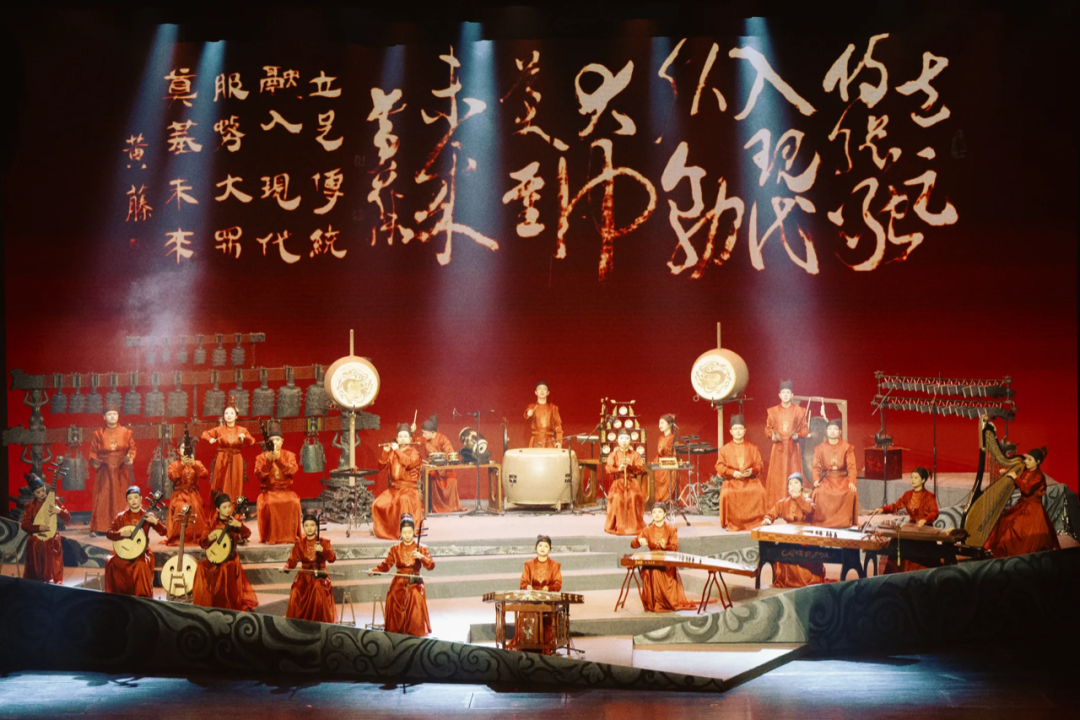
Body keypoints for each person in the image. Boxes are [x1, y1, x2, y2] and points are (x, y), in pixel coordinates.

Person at [985, 447, 1060, 557]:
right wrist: (1006, 474)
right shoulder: (1028, 473)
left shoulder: (1039, 476)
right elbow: (1019, 485)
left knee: (1018, 530)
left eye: (1030, 459)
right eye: (1026, 459)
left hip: (1033, 510)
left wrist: (1015, 477)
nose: (1026, 461)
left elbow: (1027, 489)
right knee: (1004, 520)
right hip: (1023, 505)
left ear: (1037, 462)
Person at [367, 514, 435, 636]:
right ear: (400, 533)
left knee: (414, 597)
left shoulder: (421, 548)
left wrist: (421, 557)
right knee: (393, 596)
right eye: (404, 532)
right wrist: (374, 571)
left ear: (414, 532)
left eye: (410, 532)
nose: (407, 535)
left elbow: (431, 566)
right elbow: (385, 565)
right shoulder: (395, 549)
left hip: (414, 582)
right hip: (398, 581)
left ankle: (414, 632)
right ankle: (396, 633)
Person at [193, 493, 258, 611]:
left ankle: (225, 604)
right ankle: (206, 603)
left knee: (223, 569)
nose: (228, 510)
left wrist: (240, 525)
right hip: (215, 556)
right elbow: (202, 543)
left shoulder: (234, 521)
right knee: (201, 567)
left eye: (229, 506)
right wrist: (209, 538)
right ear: (218, 509)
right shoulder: (212, 523)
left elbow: (247, 534)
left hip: (229, 559)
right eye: (224, 507)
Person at [630, 504, 698, 612]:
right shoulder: (647, 530)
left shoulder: (671, 530)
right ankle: (654, 602)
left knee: (657, 571)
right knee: (650, 570)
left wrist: (665, 546)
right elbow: (633, 544)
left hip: (667, 562)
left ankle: (660, 602)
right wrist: (639, 541)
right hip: (651, 561)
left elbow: (675, 548)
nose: (657, 514)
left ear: (664, 514)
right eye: (654, 512)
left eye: (659, 512)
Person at [761, 474, 826, 588]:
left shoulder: (808, 501)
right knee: (782, 548)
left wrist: (798, 497)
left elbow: (809, 510)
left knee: (800, 552)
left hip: (805, 536)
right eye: (790, 484)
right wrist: (768, 519)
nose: (793, 486)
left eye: (796, 483)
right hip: (788, 535)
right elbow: (772, 512)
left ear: (801, 486)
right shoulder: (784, 502)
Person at [872, 467, 940, 573]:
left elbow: (934, 512)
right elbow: (895, 506)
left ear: (923, 480)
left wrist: (925, 520)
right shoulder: (907, 495)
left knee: (920, 550)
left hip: (924, 529)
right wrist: (883, 509)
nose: (913, 480)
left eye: (916, 478)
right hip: (910, 527)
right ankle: (896, 575)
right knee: (896, 542)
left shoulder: (929, 496)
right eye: (912, 477)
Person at [104, 485, 165, 598]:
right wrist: (121, 534)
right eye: (130, 498)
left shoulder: (148, 516)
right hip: (124, 551)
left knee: (142, 565)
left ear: (141, 498)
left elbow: (164, 532)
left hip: (141, 552)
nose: (133, 501)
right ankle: (115, 597)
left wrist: (155, 522)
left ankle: (142, 598)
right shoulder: (121, 516)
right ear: (126, 501)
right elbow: (109, 533)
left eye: (136, 497)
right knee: (111, 561)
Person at [510, 534, 564, 654]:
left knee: (547, 612)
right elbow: (523, 583)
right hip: (531, 599)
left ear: (550, 549)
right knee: (525, 610)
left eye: (546, 546)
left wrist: (548, 588)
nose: (543, 548)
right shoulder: (528, 564)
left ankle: (545, 645)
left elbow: (558, 584)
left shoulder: (555, 565)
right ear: (536, 547)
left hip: (547, 599)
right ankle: (525, 643)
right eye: (540, 545)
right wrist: (527, 587)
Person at [88, 404, 136, 536]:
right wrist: (95, 460)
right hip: (104, 470)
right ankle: (101, 527)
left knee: (120, 498)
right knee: (104, 497)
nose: (112, 416)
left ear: (118, 416)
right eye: (109, 414)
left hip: (120, 470)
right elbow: (93, 452)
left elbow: (132, 448)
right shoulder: (98, 434)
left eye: (114, 414)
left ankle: (121, 526)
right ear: (104, 417)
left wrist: (130, 457)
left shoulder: (126, 432)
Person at [281, 512, 337, 622]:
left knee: (317, 587)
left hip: (320, 574)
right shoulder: (299, 544)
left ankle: (317, 623)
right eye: (306, 525)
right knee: (296, 589)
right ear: (303, 527)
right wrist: (285, 567)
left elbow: (332, 559)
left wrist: (322, 550)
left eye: (312, 525)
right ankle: (297, 623)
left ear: (316, 527)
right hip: (304, 575)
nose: (309, 528)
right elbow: (292, 561)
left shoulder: (323, 542)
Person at [372, 424, 425, 540]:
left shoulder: (414, 453)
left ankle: (405, 531)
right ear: (396, 439)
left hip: (409, 490)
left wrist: (396, 450)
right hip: (394, 490)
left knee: (403, 499)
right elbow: (381, 467)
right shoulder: (392, 453)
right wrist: (385, 452)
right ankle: (386, 530)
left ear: (410, 439)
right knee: (377, 503)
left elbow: (408, 463)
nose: (403, 439)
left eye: (405, 436)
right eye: (400, 437)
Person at [715, 414, 767, 531]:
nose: (738, 431)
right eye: (735, 429)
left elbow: (759, 465)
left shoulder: (753, 448)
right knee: (727, 493)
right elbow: (719, 466)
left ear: (745, 431)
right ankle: (731, 522)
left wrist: (752, 471)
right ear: (731, 431)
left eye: (740, 428)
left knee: (760, 491)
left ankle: (757, 520)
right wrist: (732, 472)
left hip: (750, 480)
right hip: (732, 481)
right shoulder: (724, 449)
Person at [254, 420, 302, 545]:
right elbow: (259, 475)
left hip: (286, 491)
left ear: (282, 441)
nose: (275, 442)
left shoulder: (289, 455)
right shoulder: (261, 457)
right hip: (269, 492)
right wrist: (268, 462)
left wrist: (279, 460)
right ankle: (271, 536)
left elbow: (292, 470)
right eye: (272, 440)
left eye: (277, 440)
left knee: (294, 502)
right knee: (270, 503)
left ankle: (290, 535)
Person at [200, 398, 256, 502]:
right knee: (220, 482)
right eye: (226, 413)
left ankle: (234, 508)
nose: (229, 415)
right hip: (222, 458)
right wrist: (210, 439)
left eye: (231, 413)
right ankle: (219, 508)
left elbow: (252, 441)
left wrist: (245, 437)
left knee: (236, 482)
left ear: (236, 416)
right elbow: (204, 434)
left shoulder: (242, 430)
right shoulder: (219, 429)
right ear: (224, 416)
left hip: (236, 459)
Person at [764, 381, 809, 508]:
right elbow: (767, 429)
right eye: (783, 392)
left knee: (793, 475)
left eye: (788, 392)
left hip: (792, 449)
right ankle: (777, 506)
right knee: (777, 477)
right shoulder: (773, 411)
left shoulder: (799, 411)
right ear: (779, 395)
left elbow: (805, 429)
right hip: (778, 449)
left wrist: (798, 435)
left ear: (792, 395)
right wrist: (772, 435)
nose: (785, 395)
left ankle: (794, 506)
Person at [19, 472, 70, 584]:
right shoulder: (30, 506)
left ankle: (50, 578)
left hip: (52, 535)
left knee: (49, 543)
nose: (42, 494)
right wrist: (39, 527)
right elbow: (24, 525)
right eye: (38, 492)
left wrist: (59, 511)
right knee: (33, 541)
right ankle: (36, 579)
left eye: (43, 490)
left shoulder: (54, 500)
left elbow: (67, 517)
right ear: (33, 493)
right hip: (37, 535)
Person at [811, 418, 860, 528]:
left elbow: (852, 467)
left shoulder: (847, 447)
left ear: (839, 432)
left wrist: (852, 482)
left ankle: (845, 522)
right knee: (818, 492)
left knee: (850, 493)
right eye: (830, 429)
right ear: (826, 432)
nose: (832, 431)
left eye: (835, 429)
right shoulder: (819, 448)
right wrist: (816, 479)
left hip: (842, 479)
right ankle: (822, 521)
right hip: (827, 479)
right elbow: (816, 467)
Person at [413, 414, 463, 513]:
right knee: (425, 475)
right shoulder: (424, 439)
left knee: (451, 479)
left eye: (425, 433)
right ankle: (428, 506)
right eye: (422, 433)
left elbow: (450, 453)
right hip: (432, 468)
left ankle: (447, 506)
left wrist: (440, 460)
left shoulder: (443, 439)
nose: (423, 435)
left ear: (432, 432)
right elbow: (414, 442)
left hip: (444, 469)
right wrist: (412, 432)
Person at [165, 436, 208, 546]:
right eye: (183, 448)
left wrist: (194, 464)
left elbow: (204, 474)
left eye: (187, 448)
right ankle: (179, 536)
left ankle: (197, 536)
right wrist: (182, 465)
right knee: (180, 508)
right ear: (178, 450)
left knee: (196, 507)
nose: (185, 450)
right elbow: (172, 476)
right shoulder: (174, 464)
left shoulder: (196, 463)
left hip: (193, 494)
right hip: (179, 495)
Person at [604, 427, 646, 536]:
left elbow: (640, 470)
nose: (624, 441)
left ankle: (634, 526)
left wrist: (631, 466)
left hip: (632, 482)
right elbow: (608, 469)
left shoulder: (635, 454)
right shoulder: (613, 454)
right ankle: (618, 526)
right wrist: (618, 469)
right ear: (617, 440)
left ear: (630, 440)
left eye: (627, 438)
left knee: (633, 496)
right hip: (618, 482)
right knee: (617, 498)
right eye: (621, 438)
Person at [525, 381, 562, 448]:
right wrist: (529, 413)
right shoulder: (532, 407)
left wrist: (559, 442)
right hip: (535, 441)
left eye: (544, 389)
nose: (542, 391)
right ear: (536, 392)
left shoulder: (553, 408)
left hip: (549, 441)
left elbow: (558, 426)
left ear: (548, 392)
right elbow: (527, 415)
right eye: (539, 389)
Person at [652, 414, 678, 503]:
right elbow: (659, 454)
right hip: (660, 464)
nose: (660, 425)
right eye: (659, 423)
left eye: (662, 423)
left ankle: (665, 501)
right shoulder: (660, 438)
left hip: (668, 466)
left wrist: (667, 462)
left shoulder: (673, 438)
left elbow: (675, 455)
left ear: (669, 424)